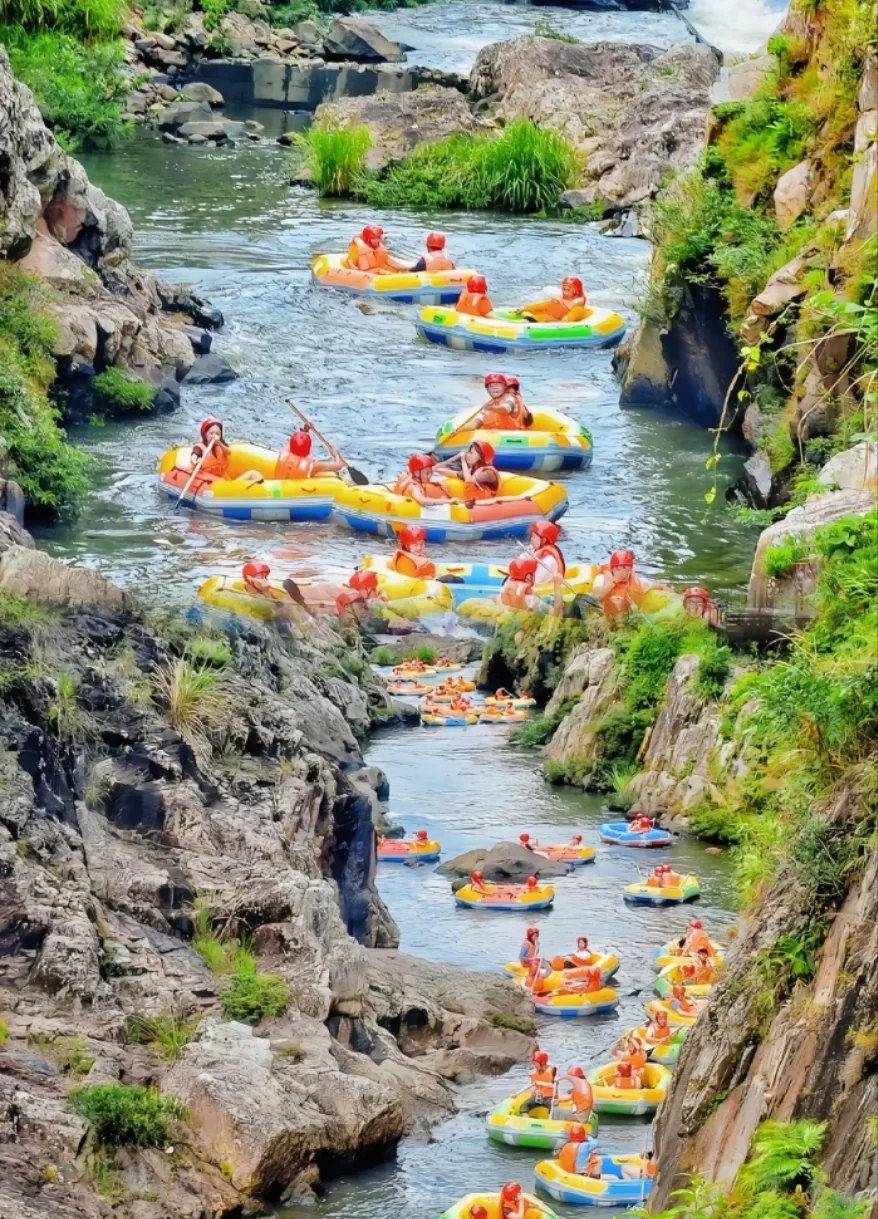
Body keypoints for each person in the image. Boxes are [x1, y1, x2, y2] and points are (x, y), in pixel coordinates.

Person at [591, 549, 670, 618]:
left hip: (626, 619)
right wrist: (614, 581)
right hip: (606, 619)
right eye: (619, 569)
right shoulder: (602, 579)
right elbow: (595, 597)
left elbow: (660, 585)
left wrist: (669, 591)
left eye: (628, 568)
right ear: (612, 569)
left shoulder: (638, 583)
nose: (624, 573)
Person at [512, 276, 589, 324]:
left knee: (523, 323)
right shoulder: (560, 300)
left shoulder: (578, 306)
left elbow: (568, 319)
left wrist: (564, 320)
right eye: (564, 289)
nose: (565, 292)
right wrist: (525, 308)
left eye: (568, 290)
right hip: (540, 319)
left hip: (546, 324)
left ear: (576, 292)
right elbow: (544, 305)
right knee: (523, 321)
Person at [274, 429, 345, 480]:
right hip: (294, 496)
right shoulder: (312, 467)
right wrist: (336, 455)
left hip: (277, 493)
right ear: (308, 451)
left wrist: (305, 431)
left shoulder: (284, 453)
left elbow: (292, 443)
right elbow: (338, 466)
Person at [528, 520, 566, 584]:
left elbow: (534, 582)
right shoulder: (533, 549)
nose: (531, 539)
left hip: (546, 588)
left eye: (533, 537)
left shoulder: (549, 560)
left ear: (544, 540)